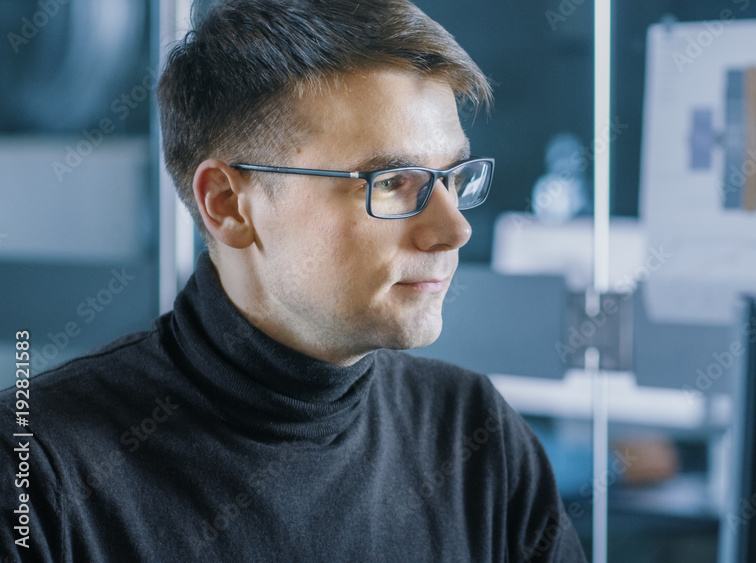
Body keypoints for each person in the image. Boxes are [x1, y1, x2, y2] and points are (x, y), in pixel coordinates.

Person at [1, 0, 587, 560]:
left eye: (452, 177)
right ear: (229, 203)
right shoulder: (32, 470)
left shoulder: (475, 436)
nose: (453, 229)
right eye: (390, 181)